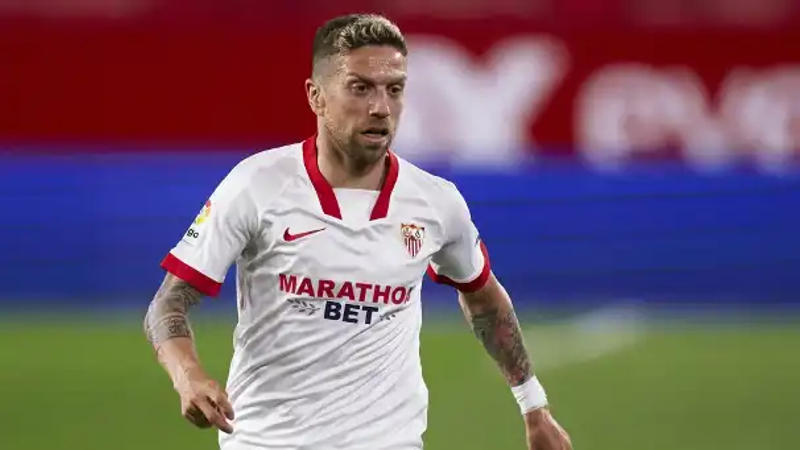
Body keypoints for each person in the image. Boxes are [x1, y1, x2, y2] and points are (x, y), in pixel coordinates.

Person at [144, 13, 571, 450]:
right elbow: (168, 304)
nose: (381, 107)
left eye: (395, 89)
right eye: (361, 87)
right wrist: (189, 376)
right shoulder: (257, 185)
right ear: (317, 97)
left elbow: (484, 301)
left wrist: (533, 404)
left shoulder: (436, 203)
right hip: (266, 442)